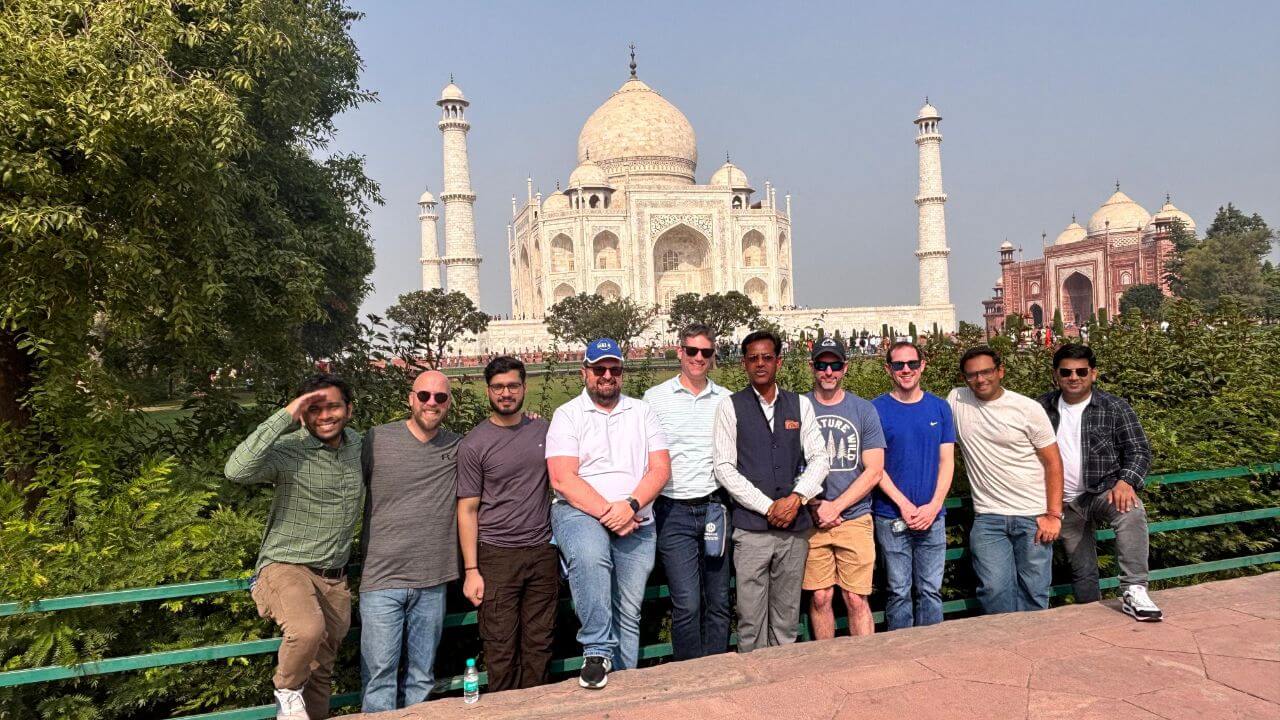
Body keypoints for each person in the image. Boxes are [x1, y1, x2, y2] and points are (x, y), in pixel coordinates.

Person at [225, 373, 363, 720]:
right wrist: (286, 414)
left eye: (333, 406)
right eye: (313, 409)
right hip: (286, 567)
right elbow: (236, 470)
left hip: (334, 579)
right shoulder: (289, 450)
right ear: (302, 414)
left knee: (320, 674)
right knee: (306, 630)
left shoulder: (359, 447)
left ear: (349, 410)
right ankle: (285, 689)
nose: (325, 416)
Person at [546, 338, 671, 689]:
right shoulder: (568, 415)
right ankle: (597, 649)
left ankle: (624, 689)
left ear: (621, 372)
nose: (606, 375)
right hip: (581, 511)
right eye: (599, 369)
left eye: (614, 369)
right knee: (590, 554)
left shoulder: (641, 411)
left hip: (636, 517)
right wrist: (609, 512)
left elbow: (660, 469)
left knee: (629, 611)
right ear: (585, 371)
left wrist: (629, 506)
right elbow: (562, 478)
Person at [713, 330, 830, 652]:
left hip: (793, 528)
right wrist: (768, 507)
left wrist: (796, 499)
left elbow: (820, 457)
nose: (760, 364)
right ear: (744, 364)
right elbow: (724, 467)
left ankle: (786, 691)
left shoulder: (799, 405)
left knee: (786, 616)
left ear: (778, 361)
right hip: (751, 530)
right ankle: (755, 691)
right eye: (753, 359)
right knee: (750, 618)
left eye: (767, 358)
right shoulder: (730, 407)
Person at [358, 370, 461, 712]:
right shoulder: (376, 440)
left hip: (432, 579)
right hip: (380, 578)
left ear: (448, 404)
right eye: (424, 396)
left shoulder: (458, 446)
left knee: (422, 677)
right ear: (410, 399)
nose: (431, 403)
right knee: (379, 676)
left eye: (440, 397)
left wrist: (531, 421)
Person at [457, 356, 560, 692]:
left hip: (542, 551)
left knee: (539, 643)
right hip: (496, 555)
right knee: (500, 647)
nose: (506, 393)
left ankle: (538, 710)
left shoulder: (543, 431)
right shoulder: (474, 444)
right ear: (488, 391)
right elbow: (468, 509)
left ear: (524, 388)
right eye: (498, 387)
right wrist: (472, 569)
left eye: (512, 386)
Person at [1037, 344, 1161, 620]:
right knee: (1082, 570)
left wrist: (1126, 481)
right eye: (1066, 372)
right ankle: (1091, 619)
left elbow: (1138, 450)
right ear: (1056, 375)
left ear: (1093, 374)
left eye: (1081, 371)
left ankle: (1135, 589)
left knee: (1130, 511)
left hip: (1103, 491)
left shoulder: (1113, 407)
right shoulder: (1041, 408)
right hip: (1063, 502)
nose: (1074, 377)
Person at [948, 346, 1063, 614]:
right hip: (989, 517)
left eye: (986, 372)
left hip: (1033, 516)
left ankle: (1033, 651)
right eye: (972, 374)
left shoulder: (1027, 408)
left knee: (1034, 592)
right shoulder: (956, 400)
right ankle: (1005, 651)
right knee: (993, 590)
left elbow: (1053, 462)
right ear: (964, 378)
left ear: (1000, 371)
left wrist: (1053, 515)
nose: (980, 379)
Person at [642, 324, 732, 660]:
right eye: (692, 351)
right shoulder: (655, 398)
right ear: (679, 351)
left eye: (705, 353)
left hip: (714, 507)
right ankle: (691, 676)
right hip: (673, 511)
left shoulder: (724, 400)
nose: (698, 358)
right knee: (687, 603)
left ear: (713, 356)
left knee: (719, 600)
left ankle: (718, 670)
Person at [802, 336, 886, 639]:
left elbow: (874, 470)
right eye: (822, 365)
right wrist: (815, 506)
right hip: (813, 519)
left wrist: (835, 507)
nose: (828, 372)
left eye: (834, 365)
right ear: (813, 367)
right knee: (821, 596)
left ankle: (864, 667)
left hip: (855, 516)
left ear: (845, 368)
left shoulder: (862, 410)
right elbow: (788, 465)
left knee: (855, 598)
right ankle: (828, 668)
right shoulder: (799, 408)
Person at [872, 341, 955, 630]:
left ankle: (933, 653)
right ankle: (903, 659)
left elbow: (947, 462)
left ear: (922, 366)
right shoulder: (876, 410)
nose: (905, 370)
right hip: (890, 515)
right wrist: (904, 505)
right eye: (898, 365)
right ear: (888, 369)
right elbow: (875, 468)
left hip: (933, 516)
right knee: (898, 592)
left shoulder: (940, 408)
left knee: (930, 591)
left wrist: (933, 506)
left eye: (911, 364)